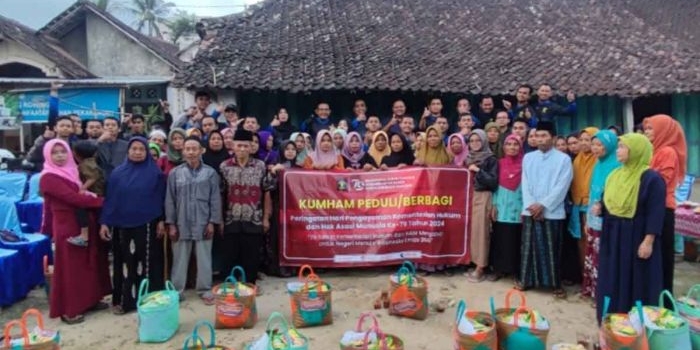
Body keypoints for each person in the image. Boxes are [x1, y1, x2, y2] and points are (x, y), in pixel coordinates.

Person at [595, 133, 666, 321]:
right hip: (613, 234)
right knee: (612, 276)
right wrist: (600, 207)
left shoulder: (652, 179)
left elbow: (656, 212)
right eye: (618, 147)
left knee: (636, 279)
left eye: (622, 147)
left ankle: (636, 322)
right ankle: (611, 318)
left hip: (636, 235)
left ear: (636, 151)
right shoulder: (615, 175)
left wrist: (648, 241)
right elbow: (607, 201)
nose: (618, 151)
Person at [39, 139, 109, 324]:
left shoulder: (72, 172)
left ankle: (90, 300)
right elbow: (73, 198)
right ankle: (69, 310)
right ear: (48, 155)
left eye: (63, 151)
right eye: (55, 152)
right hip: (66, 225)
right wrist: (101, 202)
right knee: (70, 268)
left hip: (84, 222)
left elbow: (81, 193)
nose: (60, 155)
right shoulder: (48, 177)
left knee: (87, 263)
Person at [99, 137, 167, 315]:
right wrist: (105, 222)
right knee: (124, 263)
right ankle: (124, 301)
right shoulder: (117, 173)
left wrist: (161, 220)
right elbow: (110, 199)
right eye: (134, 149)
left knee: (147, 262)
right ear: (128, 151)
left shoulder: (156, 174)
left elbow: (161, 199)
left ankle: (149, 300)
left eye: (141, 149)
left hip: (147, 224)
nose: (137, 152)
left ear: (147, 152)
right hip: (121, 226)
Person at [516, 121, 573, 299]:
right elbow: (525, 183)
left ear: (553, 138)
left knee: (551, 248)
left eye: (544, 136)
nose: (540, 139)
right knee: (529, 248)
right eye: (537, 136)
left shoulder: (563, 159)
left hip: (552, 212)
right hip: (530, 210)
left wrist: (543, 205)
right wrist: (532, 204)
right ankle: (526, 280)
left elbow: (562, 186)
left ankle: (555, 283)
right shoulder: (528, 157)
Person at [165, 136, 222, 304]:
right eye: (187, 149)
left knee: (204, 258)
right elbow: (170, 199)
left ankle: (204, 289)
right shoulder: (175, 173)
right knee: (180, 259)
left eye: (194, 148)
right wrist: (171, 223)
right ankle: (177, 291)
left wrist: (212, 221)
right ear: (183, 151)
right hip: (181, 222)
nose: (191, 152)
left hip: (203, 222)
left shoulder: (210, 173)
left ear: (201, 150)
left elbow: (215, 199)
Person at [220, 129, 276, 293]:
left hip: (254, 218)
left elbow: (266, 192)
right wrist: (220, 220)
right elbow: (220, 195)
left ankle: (249, 285)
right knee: (229, 255)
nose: (243, 149)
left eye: (246, 146)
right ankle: (229, 288)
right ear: (233, 146)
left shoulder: (260, 166)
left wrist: (266, 217)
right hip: (231, 218)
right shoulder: (224, 167)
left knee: (251, 256)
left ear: (252, 147)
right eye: (239, 146)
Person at [643, 114, 687, 294]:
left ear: (663, 130)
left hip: (662, 208)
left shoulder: (667, 152)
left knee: (663, 256)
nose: (646, 132)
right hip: (652, 206)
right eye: (646, 129)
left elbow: (662, 182)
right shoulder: (654, 150)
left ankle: (664, 297)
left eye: (651, 128)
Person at [582, 130, 620, 301]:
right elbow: (592, 192)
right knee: (592, 255)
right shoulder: (598, 164)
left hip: (607, 218)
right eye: (594, 145)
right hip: (593, 217)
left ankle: (601, 294)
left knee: (603, 257)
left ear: (610, 146)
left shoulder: (617, 167)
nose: (595, 149)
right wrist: (588, 219)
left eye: (600, 145)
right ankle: (590, 290)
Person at [464, 130, 499, 283]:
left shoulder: (491, 159)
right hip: (469, 197)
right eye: (472, 141)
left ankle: (481, 267)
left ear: (484, 141)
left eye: (478, 140)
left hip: (483, 196)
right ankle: (475, 263)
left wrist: (478, 171)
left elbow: (493, 182)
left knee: (482, 232)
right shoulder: (468, 158)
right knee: (473, 232)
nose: (475, 143)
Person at [490, 134, 524, 281]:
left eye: (515, 144)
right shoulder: (499, 163)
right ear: (503, 147)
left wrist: (525, 207)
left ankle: (516, 271)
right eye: (509, 144)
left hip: (518, 205)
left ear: (520, 147)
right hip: (501, 205)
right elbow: (494, 185)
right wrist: (493, 205)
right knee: (500, 237)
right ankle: (499, 269)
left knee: (517, 239)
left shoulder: (525, 164)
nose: (512, 147)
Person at [569, 127, 599, 282]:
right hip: (577, 205)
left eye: (588, 140)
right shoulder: (577, 160)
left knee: (592, 243)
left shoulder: (599, 161)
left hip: (593, 207)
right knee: (581, 243)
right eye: (581, 140)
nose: (584, 143)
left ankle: (594, 279)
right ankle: (584, 278)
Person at [67, 141, 105, 247]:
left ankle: (84, 236)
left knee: (80, 208)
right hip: (98, 192)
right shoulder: (92, 162)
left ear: (76, 154)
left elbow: (92, 177)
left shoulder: (85, 164)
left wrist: (83, 189)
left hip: (95, 192)